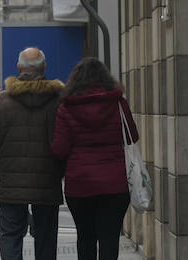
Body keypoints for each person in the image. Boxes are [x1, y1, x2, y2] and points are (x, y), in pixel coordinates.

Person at [0, 46, 66, 260]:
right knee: (47, 238)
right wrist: (58, 171)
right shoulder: (58, 100)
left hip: (10, 184)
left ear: (18, 67)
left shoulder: (1, 101)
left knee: (10, 236)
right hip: (47, 182)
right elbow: (64, 143)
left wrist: (3, 170)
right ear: (44, 67)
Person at [51, 57, 136, 260]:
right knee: (109, 238)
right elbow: (132, 135)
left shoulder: (66, 108)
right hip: (115, 184)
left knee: (85, 237)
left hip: (80, 184)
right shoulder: (118, 104)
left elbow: (59, 149)